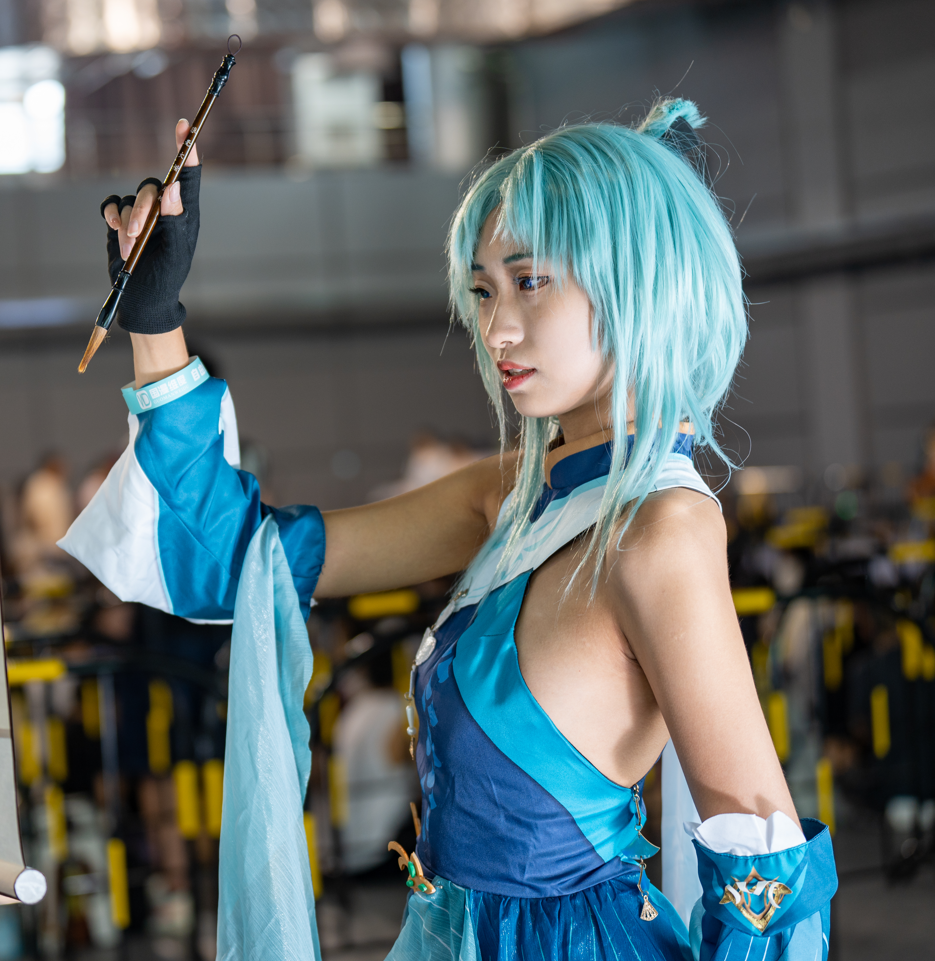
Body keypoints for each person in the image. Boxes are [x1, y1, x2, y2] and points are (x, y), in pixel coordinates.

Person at [62, 102, 837, 959]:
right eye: (482, 289)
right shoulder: (510, 495)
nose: (496, 328)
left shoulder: (664, 529)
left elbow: (764, 863)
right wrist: (155, 320)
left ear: (636, 280)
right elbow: (239, 560)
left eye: (529, 281)